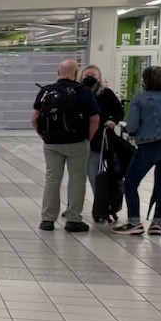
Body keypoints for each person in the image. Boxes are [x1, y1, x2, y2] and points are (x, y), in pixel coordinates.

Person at [32, 58, 98, 233]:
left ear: (58, 72)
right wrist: (88, 138)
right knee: (77, 179)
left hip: (52, 143)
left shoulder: (46, 91)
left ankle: (47, 220)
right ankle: (73, 220)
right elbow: (95, 119)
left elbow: (34, 118)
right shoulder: (83, 90)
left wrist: (44, 136)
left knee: (52, 179)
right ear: (76, 73)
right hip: (77, 142)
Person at [115, 65, 161, 237]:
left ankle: (134, 222)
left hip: (149, 147)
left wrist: (125, 127)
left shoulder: (139, 100)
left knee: (130, 183)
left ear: (146, 80)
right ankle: (157, 223)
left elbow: (133, 127)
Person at [82, 64, 125, 218]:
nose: (89, 78)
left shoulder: (106, 94)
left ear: (99, 77)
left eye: (93, 75)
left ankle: (100, 205)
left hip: (100, 140)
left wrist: (113, 120)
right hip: (81, 139)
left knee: (95, 174)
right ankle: (72, 206)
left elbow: (119, 110)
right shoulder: (78, 92)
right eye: (86, 75)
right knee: (78, 175)